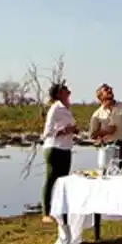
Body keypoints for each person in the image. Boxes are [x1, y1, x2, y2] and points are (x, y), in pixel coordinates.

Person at [40, 82, 78, 222]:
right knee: (51, 179)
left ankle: (59, 211)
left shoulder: (66, 108)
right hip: (54, 148)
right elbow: (47, 132)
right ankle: (46, 213)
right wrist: (62, 131)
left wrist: (73, 130)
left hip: (66, 148)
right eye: (64, 89)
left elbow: (69, 126)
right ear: (58, 94)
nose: (68, 90)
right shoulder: (55, 108)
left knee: (63, 181)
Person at [88, 83, 122, 163]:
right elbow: (92, 135)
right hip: (107, 148)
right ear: (100, 96)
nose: (110, 90)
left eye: (110, 88)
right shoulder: (97, 114)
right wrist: (105, 131)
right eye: (106, 89)